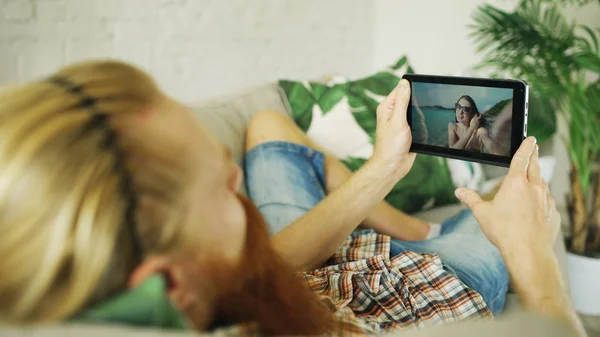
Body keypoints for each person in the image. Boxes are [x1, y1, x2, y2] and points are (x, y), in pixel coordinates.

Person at [0, 60, 587, 337]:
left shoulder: (204, 287)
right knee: (499, 216)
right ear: (169, 285)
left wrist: (382, 169)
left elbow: (262, 263)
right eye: (223, 186)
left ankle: (411, 223)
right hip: (430, 284)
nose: (239, 182)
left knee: (266, 124)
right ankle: (439, 233)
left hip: (299, 271)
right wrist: (533, 260)